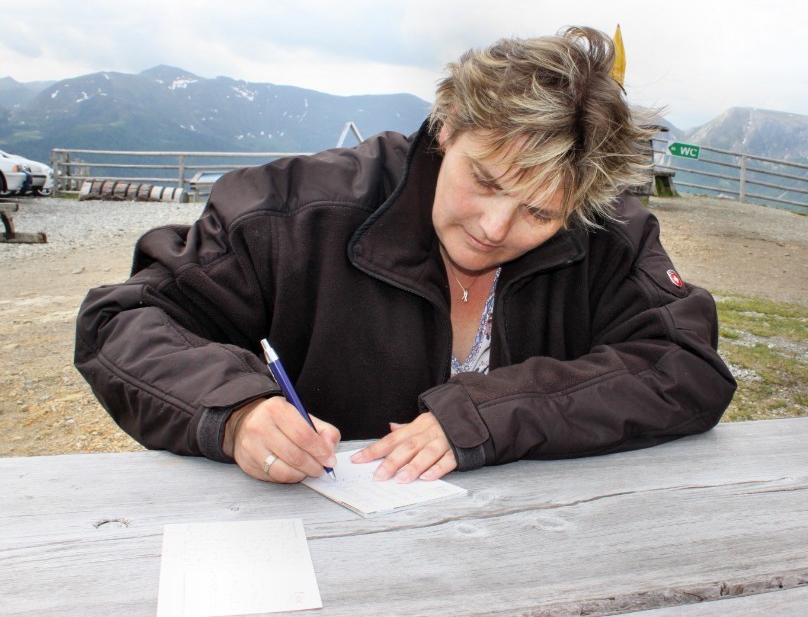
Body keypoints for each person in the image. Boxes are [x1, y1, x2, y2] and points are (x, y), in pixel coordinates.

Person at [75, 26, 736, 485]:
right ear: (446, 127)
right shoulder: (293, 210)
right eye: (486, 180)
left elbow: (685, 365)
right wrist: (237, 412)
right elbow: (124, 320)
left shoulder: (605, 229)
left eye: (539, 213)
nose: (495, 227)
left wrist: (490, 411)